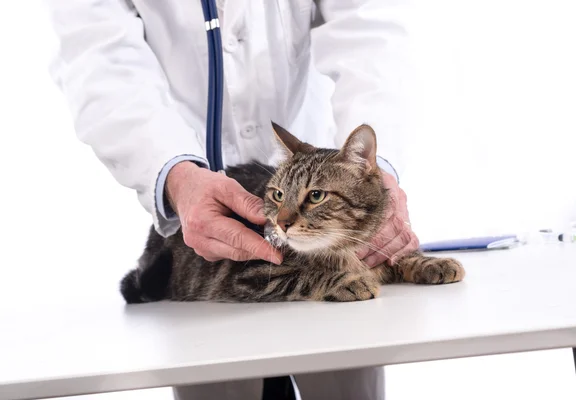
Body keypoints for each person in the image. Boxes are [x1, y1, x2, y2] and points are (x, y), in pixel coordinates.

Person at [45, 1, 419, 399]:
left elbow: (367, 30)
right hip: (194, 201)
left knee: (343, 377)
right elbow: (99, 61)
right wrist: (175, 174)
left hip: (310, 174)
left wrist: (373, 178)